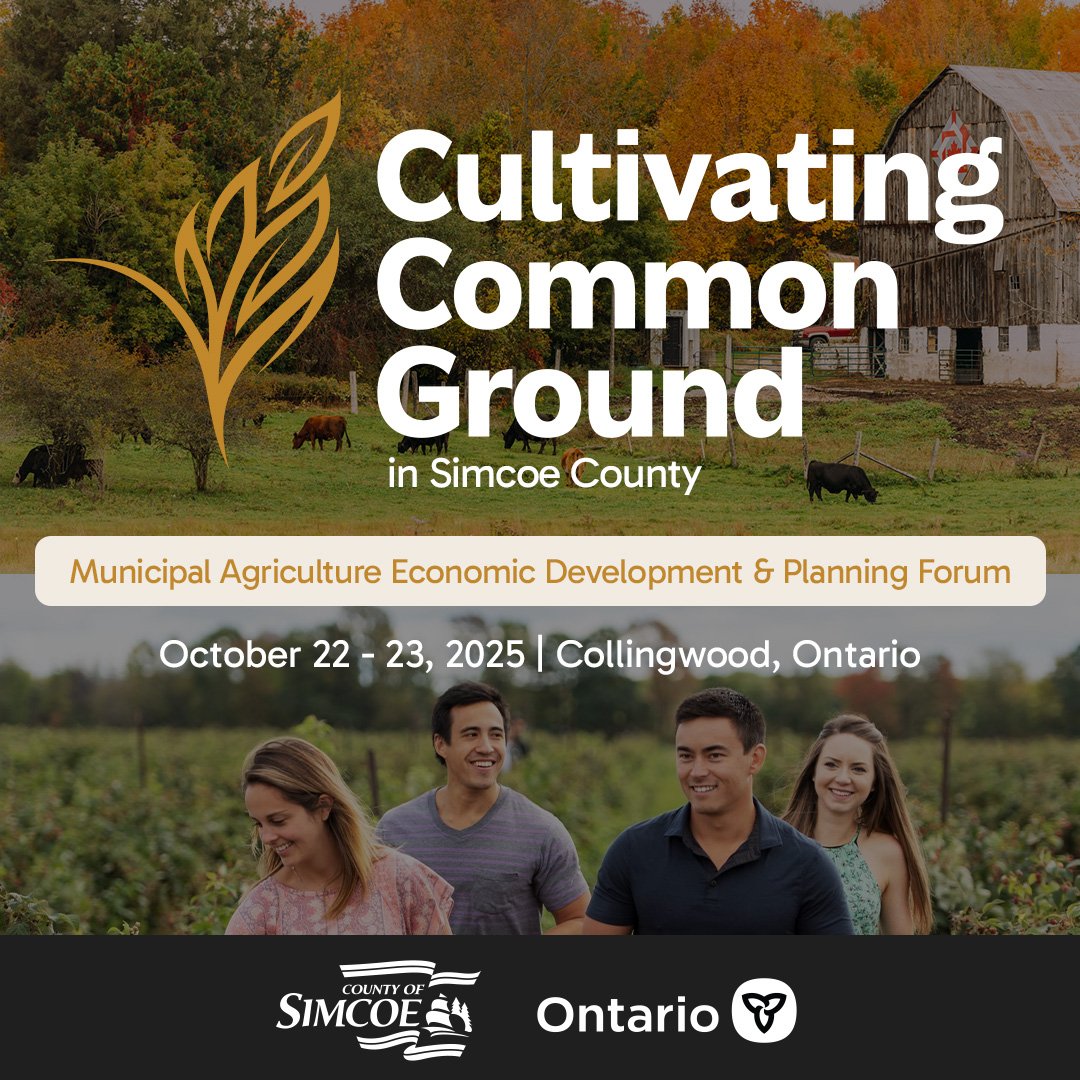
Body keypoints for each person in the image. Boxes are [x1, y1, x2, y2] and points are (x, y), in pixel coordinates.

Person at [583, 687, 854, 934]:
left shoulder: (807, 865)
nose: (697, 771)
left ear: (755, 759)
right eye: (686, 756)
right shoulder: (633, 851)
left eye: (715, 755)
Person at [376, 681, 590, 935]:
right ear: (440, 744)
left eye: (496, 735)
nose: (487, 747)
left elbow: (580, 921)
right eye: (471, 734)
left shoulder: (542, 830)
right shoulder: (394, 829)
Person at [225, 736, 453, 935]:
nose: (266, 837)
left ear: (323, 806)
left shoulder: (401, 879)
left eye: (278, 821)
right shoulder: (260, 912)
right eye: (259, 824)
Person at [781, 714, 933, 935]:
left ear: (874, 783)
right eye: (831, 765)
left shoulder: (887, 852)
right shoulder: (777, 843)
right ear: (814, 772)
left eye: (858, 769)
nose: (843, 778)